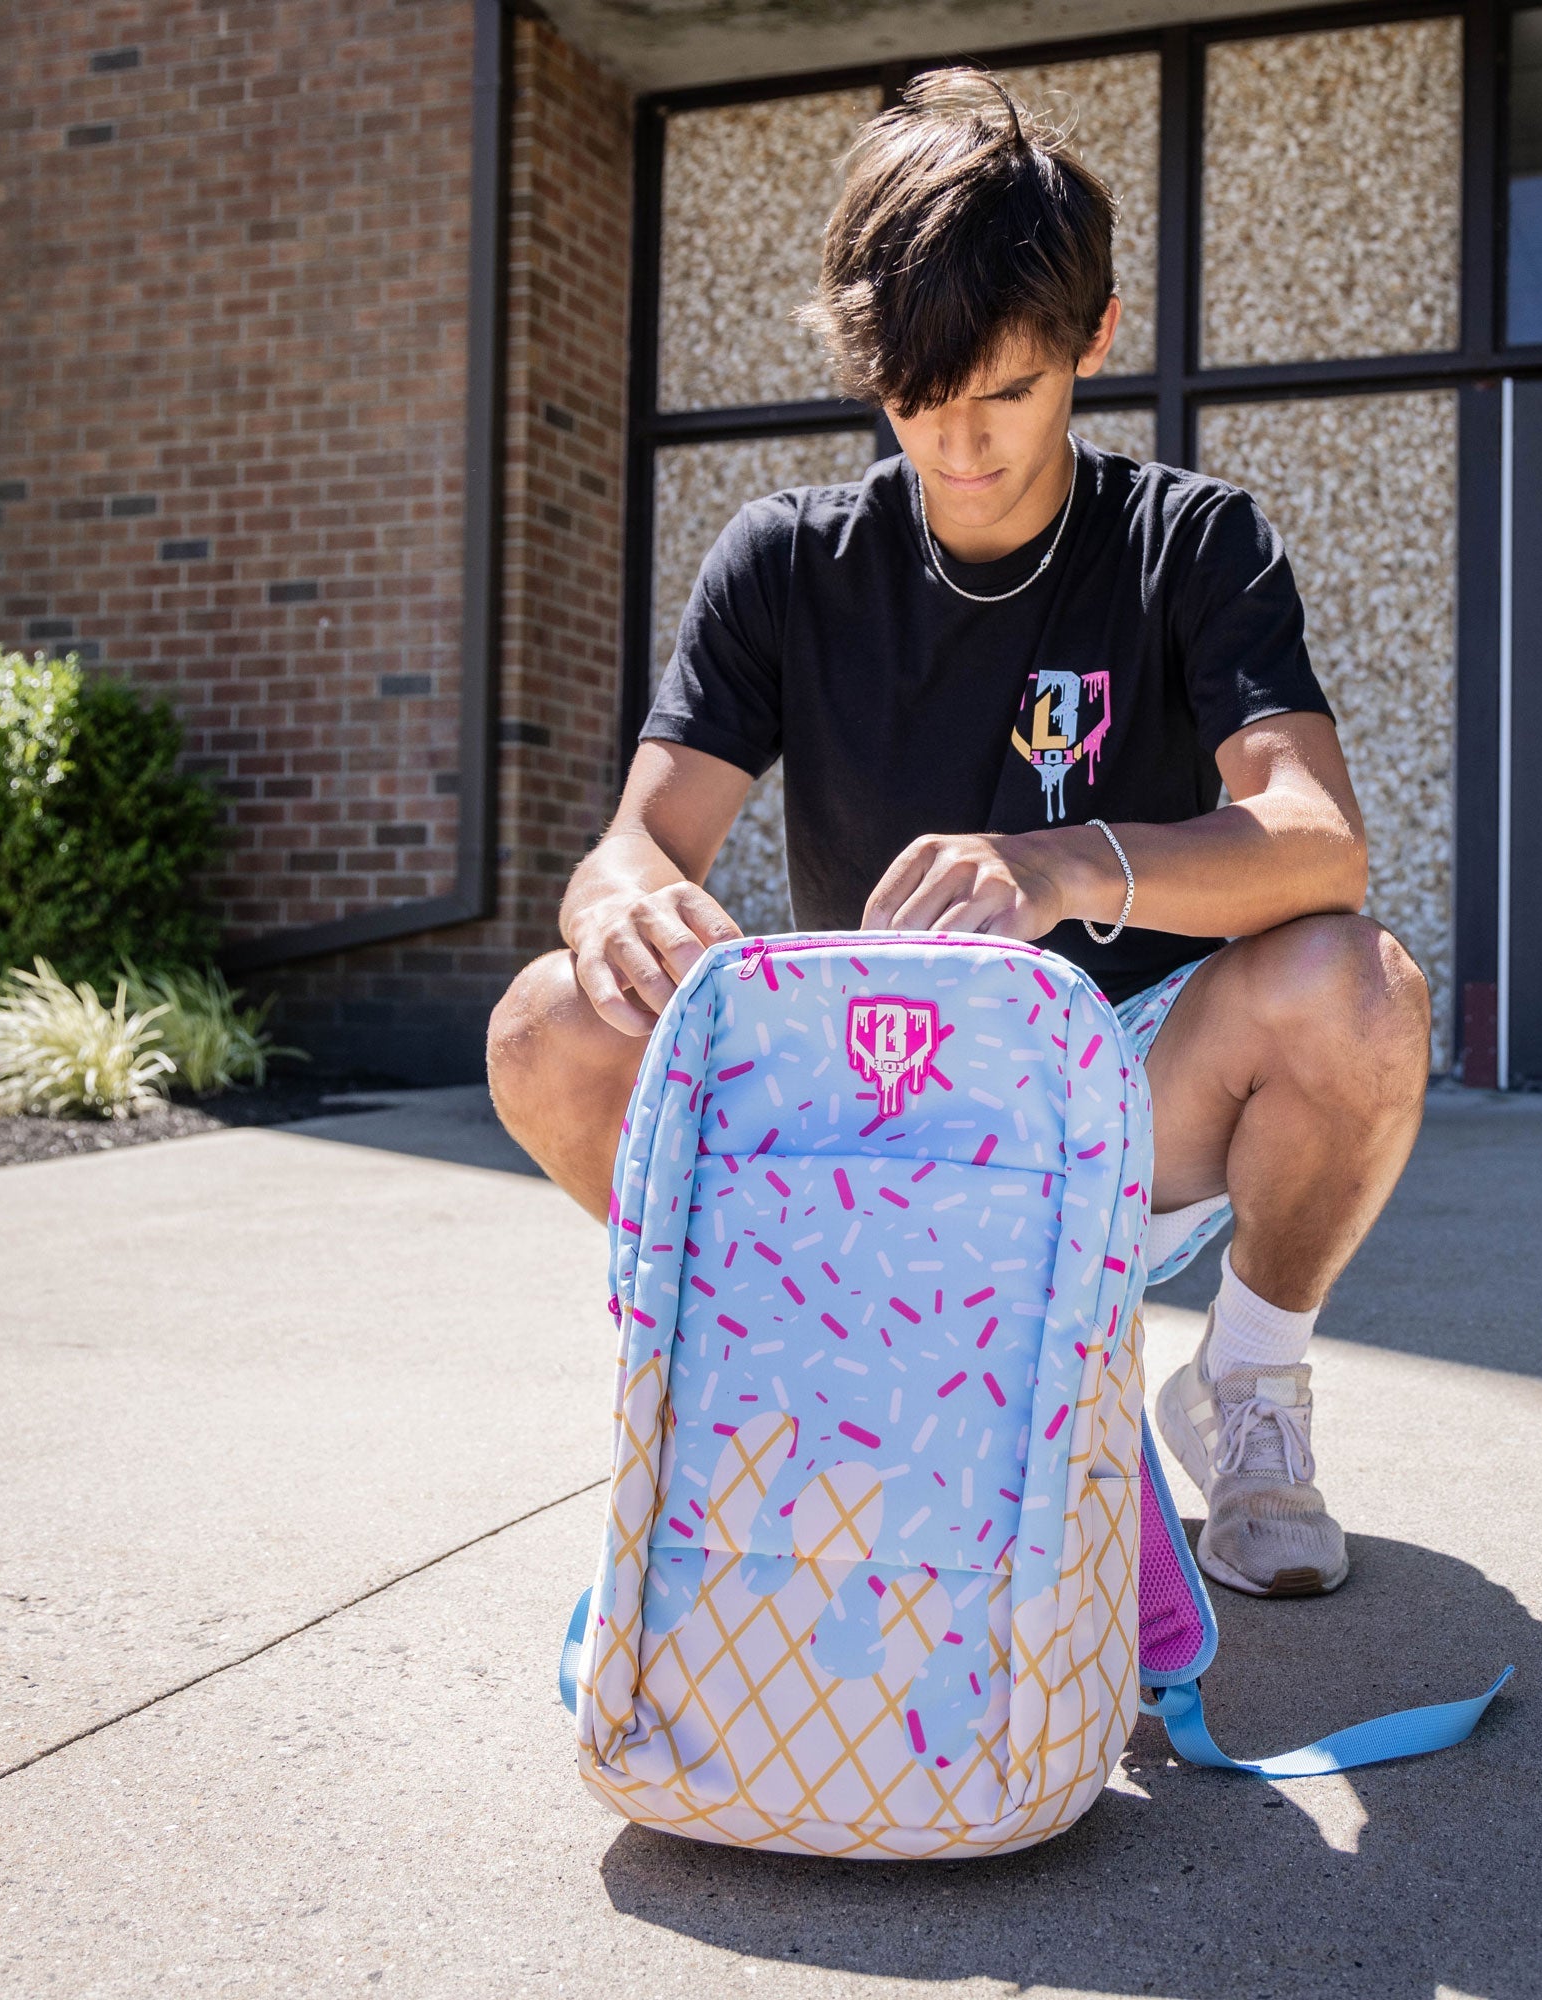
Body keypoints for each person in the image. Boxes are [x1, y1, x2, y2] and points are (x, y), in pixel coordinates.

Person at [486, 71, 1431, 1599]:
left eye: (1004, 389)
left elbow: (1318, 842)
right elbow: (634, 849)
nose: (961, 443)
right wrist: (618, 905)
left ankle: (1247, 1388)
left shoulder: (1194, 540)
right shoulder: (783, 561)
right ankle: (804, 1365)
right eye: (919, 397)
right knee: (545, 1025)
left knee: (1362, 987)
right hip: (865, 1112)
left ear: (1093, 341)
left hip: (1119, 1097)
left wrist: (1058, 864)